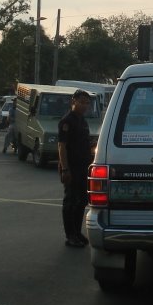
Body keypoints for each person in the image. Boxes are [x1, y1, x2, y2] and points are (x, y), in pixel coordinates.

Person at [57, 89, 92, 248]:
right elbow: (62, 146)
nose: (85, 106)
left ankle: (77, 232)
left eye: (87, 103)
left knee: (82, 201)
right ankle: (70, 235)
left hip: (83, 167)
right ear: (73, 101)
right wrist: (65, 169)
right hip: (71, 167)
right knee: (70, 201)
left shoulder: (82, 121)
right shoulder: (67, 121)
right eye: (82, 102)